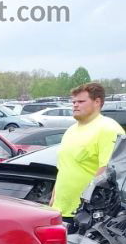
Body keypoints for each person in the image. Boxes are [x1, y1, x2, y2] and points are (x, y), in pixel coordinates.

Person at [51, 82, 125, 227]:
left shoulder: (108, 128)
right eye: (73, 102)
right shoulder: (71, 130)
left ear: (97, 102)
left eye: (81, 101)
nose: (75, 105)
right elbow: (64, 169)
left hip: (87, 214)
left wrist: (88, 204)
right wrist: (54, 197)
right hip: (60, 210)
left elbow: (109, 170)